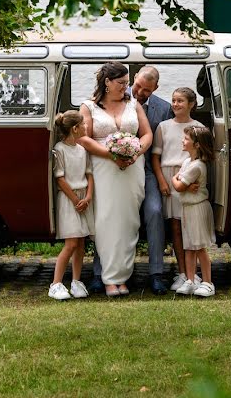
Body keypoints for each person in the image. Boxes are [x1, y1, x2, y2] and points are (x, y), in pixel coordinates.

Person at [79, 62, 152, 297]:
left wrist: (135, 152)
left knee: (129, 222)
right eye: (121, 83)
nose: (125, 87)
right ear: (107, 83)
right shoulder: (88, 106)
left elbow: (147, 133)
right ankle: (110, 279)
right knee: (107, 221)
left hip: (132, 168)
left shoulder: (134, 104)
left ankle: (124, 277)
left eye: (126, 83)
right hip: (103, 170)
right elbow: (84, 138)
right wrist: (112, 154)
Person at [128, 65, 174, 295]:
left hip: (148, 171)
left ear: (155, 88)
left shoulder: (164, 109)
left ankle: (156, 273)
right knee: (113, 216)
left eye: (147, 90)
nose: (140, 92)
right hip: (120, 171)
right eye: (138, 86)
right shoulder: (114, 99)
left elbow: (164, 147)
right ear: (134, 77)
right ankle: (104, 272)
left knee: (155, 212)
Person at [151, 87, 201, 291]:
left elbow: (202, 157)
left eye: (180, 101)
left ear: (191, 104)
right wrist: (162, 181)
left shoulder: (197, 127)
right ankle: (181, 273)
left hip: (189, 174)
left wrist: (193, 181)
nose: (175, 104)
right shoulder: (163, 126)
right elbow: (155, 157)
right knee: (175, 227)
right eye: (173, 100)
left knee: (190, 226)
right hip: (169, 177)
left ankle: (193, 273)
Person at [48, 110, 94, 301]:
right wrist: (76, 200)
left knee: (81, 242)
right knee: (71, 243)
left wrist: (88, 197)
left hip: (83, 199)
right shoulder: (59, 149)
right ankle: (56, 283)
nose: (86, 127)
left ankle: (76, 281)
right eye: (83, 125)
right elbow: (60, 179)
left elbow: (89, 174)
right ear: (75, 129)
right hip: (70, 200)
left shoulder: (83, 149)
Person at [172, 125, 216, 298]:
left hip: (197, 207)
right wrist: (179, 181)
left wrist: (177, 179)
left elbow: (178, 186)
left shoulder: (197, 166)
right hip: (187, 207)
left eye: (186, 139)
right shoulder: (187, 162)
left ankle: (208, 282)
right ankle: (190, 280)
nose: (183, 141)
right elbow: (180, 184)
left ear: (196, 145)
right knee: (189, 246)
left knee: (199, 247)